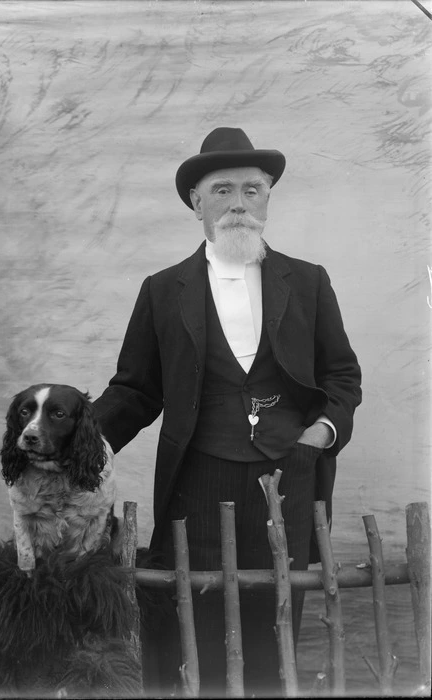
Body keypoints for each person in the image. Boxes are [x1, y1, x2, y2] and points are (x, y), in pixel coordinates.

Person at [92, 127, 362, 698]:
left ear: (267, 198)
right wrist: (78, 447)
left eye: (252, 189)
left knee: (275, 620)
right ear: (196, 202)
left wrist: (319, 433)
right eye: (222, 190)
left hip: (290, 474)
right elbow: (136, 391)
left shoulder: (309, 282)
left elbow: (341, 375)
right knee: (194, 620)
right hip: (198, 477)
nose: (239, 202)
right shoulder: (162, 290)